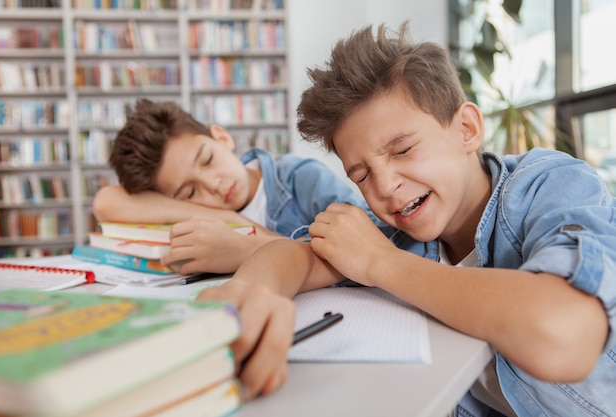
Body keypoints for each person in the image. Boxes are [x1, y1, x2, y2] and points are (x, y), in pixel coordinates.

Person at [198, 21, 616, 416]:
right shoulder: (392, 230)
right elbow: (297, 256)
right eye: (360, 175)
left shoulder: (550, 184)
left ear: (467, 129)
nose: (383, 186)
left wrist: (382, 263)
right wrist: (253, 290)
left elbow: (565, 336)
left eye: (401, 150)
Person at [93, 99, 378, 275]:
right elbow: (105, 202)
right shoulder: (208, 212)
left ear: (221, 137)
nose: (214, 185)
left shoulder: (300, 178)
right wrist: (230, 219)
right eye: (191, 192)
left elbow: (376, 244)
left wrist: (248, 243)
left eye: (207, 160)